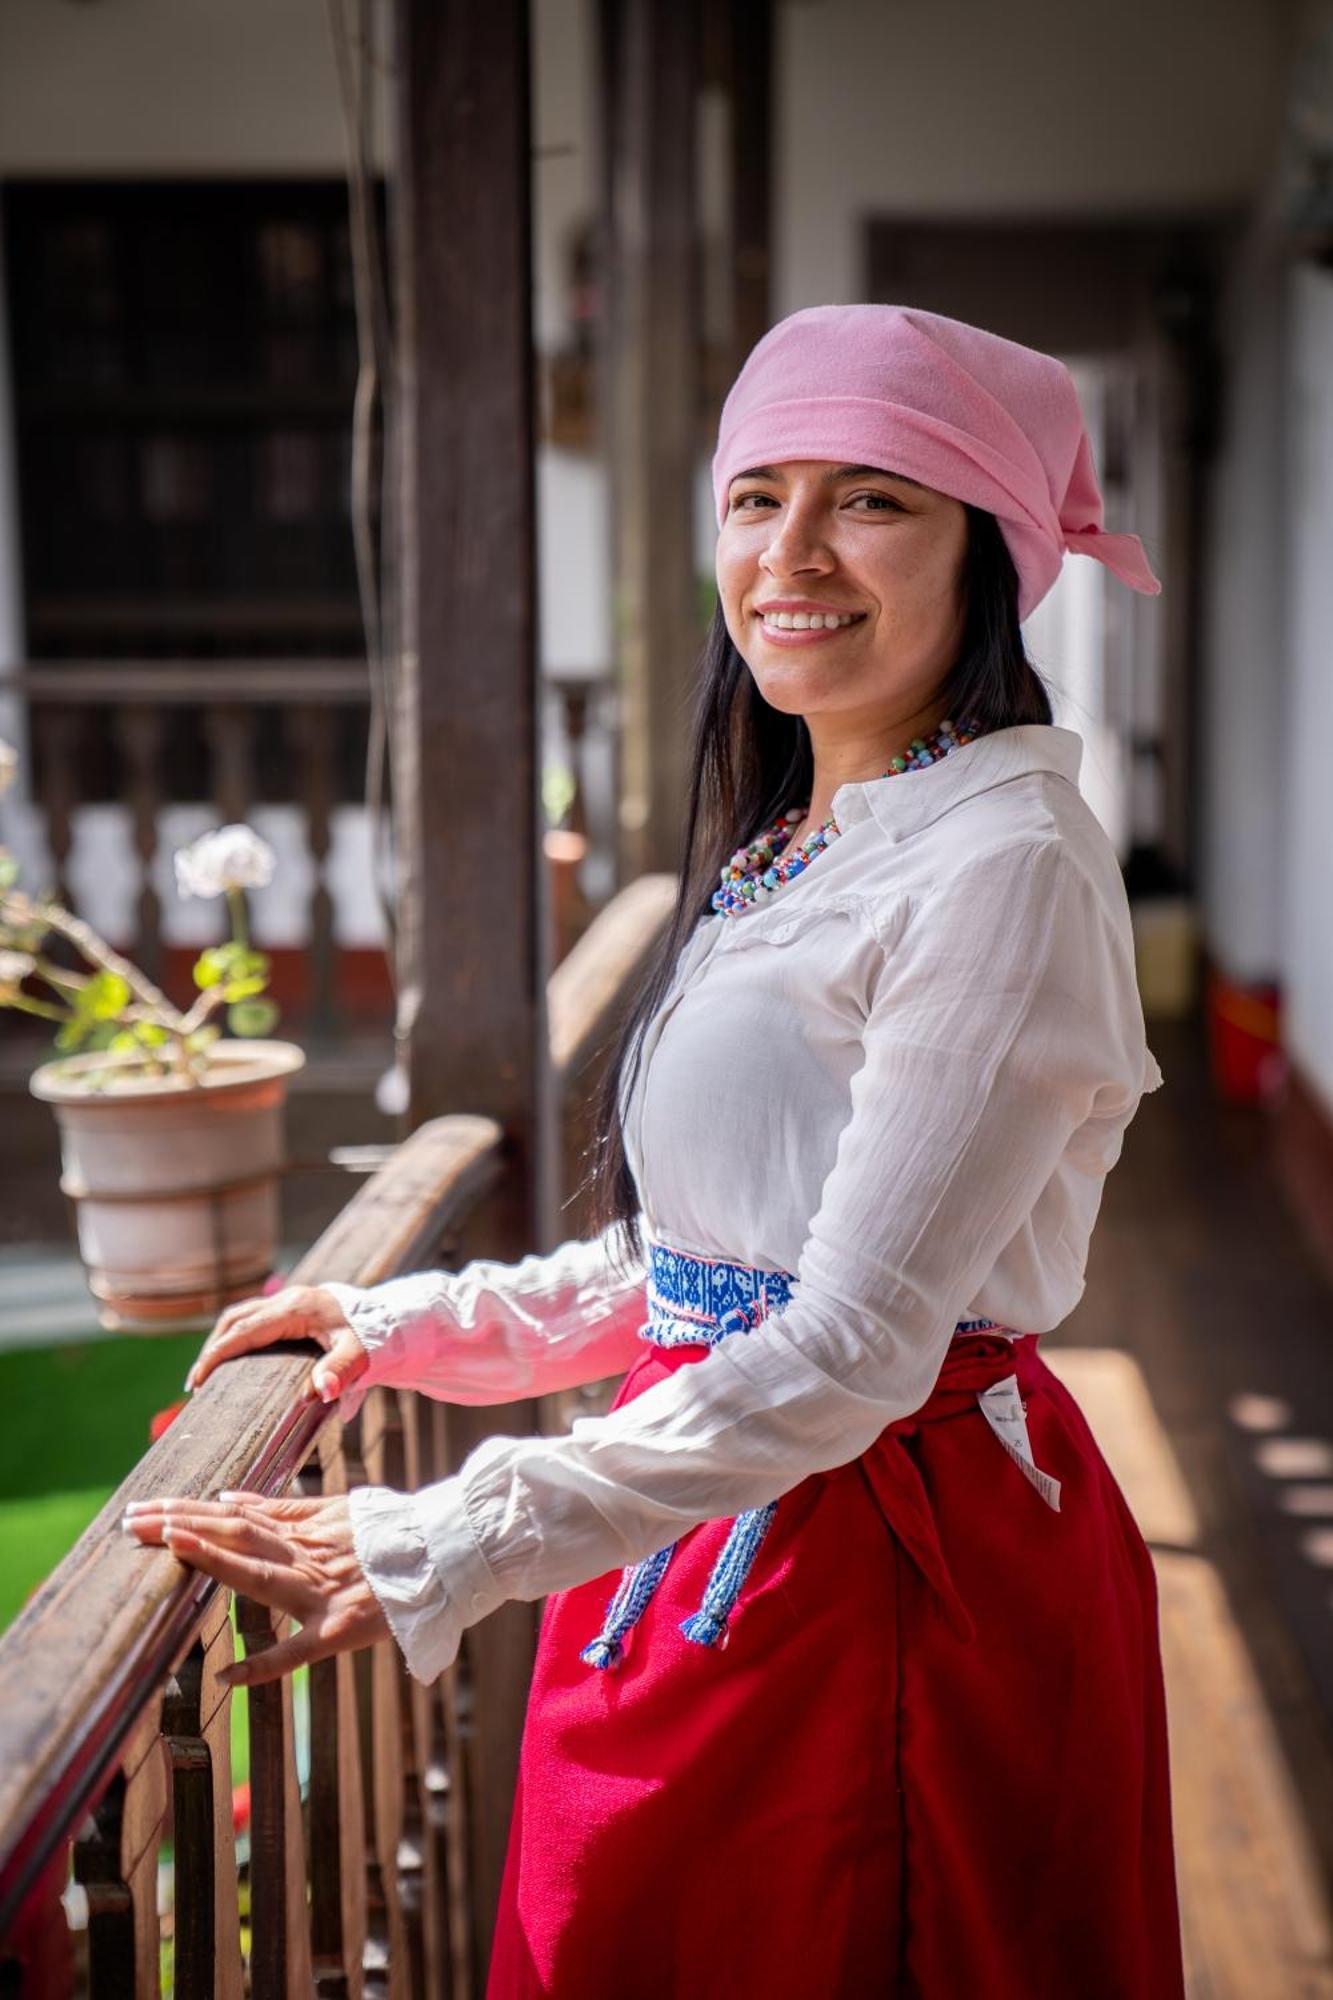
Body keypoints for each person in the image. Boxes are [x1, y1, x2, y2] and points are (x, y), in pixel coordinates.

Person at [126, 302, 1187, 1997]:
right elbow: (708, 1254)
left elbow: (847, 1344)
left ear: (988, 550)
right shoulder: (810, 833)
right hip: (704, 1521)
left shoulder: (1003, 859)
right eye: (756, 494)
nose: (794, 550)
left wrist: (447, 1536)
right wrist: (408, 1326)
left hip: (878, 1589)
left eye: (874, 498)